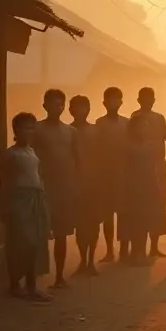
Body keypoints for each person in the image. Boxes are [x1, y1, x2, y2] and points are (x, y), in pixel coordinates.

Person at [0, 113, 52, 302]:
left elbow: (39, 176)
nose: (28, 132)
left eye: (31, 128)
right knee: (21, 243)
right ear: (16, 130)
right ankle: (14, 284)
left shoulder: (32, 152)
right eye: (24, 128)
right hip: (18, 200)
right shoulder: (10, 153)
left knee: (36, 244)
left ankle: (32, 286)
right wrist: (4, 205)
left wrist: (43, 199)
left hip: (36, 199)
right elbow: (5, 181)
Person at [32, 89, 80, 289]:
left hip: (64, 189)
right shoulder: (36, 130)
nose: (57, 108)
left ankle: (60, 276)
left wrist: (76, 185)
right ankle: (33, 278)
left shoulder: (71, 132)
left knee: (61, 235)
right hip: (42, 188)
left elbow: (77, 160)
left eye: (60, 104)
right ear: (44, 105)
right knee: (38, 234)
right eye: (53, 104)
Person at [129, 87, 166, 260]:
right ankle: (138, 249)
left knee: (159, 206)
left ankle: (154, 247)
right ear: (139, 100)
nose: (148, 102)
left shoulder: (159, 118)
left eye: (151, 98)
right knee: (144, 207)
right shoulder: (135, 118)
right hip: (141, 170)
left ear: (154, 100)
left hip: (159, 167)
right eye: (144, 98)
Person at [93, 87, 128, 263]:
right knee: (107, 215)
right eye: (110, 100)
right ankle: (109, 250)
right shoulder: (99, 124)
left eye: (117, 99)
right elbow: (96, 149)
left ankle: (123, 249)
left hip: (124, 175)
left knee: (123, 214)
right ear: (104, 103)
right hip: (105, 174)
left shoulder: (128, 123)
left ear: (121, 102)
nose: (114, 103)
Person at [68, 94, 101, 276]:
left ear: (88, 109)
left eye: (83, 108)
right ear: (70, 110)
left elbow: (103, 156)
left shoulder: (96, 130)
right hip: (76, 184)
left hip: (94, 183)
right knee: (81, 225)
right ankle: (83, 259)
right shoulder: (67, 131)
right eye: (76, 108)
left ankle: (90, 260)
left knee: (94, 224)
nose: (80, 111)